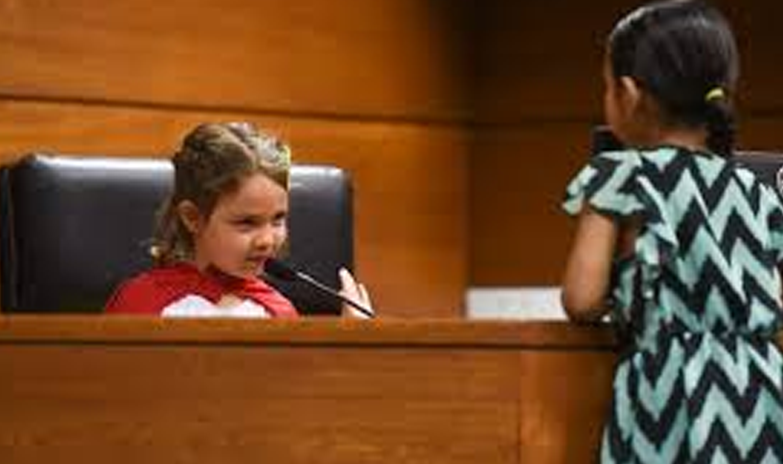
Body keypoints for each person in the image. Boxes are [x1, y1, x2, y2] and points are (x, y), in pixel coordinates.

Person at [560, 1, 783, 462]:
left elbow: (581, 300)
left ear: (628, 93)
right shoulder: (756, 189)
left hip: (664, 393)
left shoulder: (621, 175)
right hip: (757, 394)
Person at [105, 122, 371, 318]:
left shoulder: (280, 312)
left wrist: (351, 344)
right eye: (247, 223)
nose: (267, 241)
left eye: (278, 219)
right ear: (193, 217)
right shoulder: (139, 303)